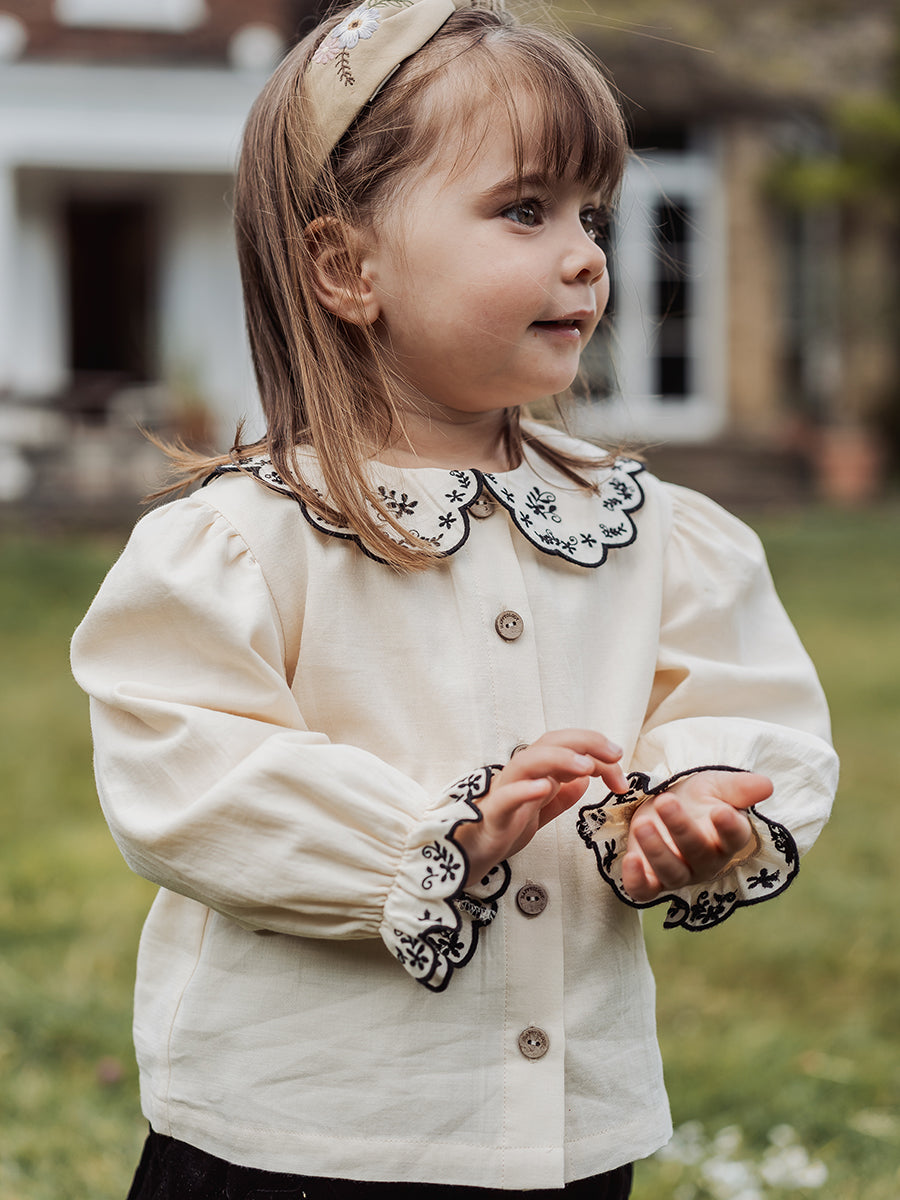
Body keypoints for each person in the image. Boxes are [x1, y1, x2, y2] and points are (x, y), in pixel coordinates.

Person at [70, 1, 838, 1196]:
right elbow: (188, 773)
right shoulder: (242, 540)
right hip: (303, 1139)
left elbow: (737, 699)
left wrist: (696, 803)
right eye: (525, 210)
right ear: (347, 267)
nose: (585, 255)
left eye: (592, 214)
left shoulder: (648, 530)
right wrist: (433, 840)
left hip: (567, 1141)